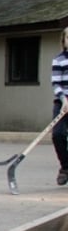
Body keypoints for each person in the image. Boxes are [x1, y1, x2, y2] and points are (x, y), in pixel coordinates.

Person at [51, 27, 68, 185]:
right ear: (64, 41)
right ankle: (65, 167)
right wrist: (64, 99)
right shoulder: (59, 60)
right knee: (58, 134)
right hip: (62, 102)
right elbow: (56, 83)